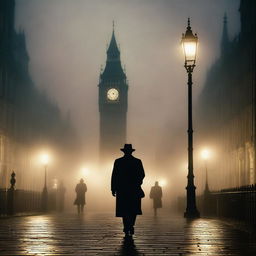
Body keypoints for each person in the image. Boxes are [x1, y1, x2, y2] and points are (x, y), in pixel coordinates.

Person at [111, 144, 145, 237]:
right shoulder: (137, 161)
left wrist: (113, 188)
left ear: (124, 151)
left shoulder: (118, 162)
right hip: (134, 189)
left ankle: (126, 226)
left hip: (122, 189)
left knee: (124, 209)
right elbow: (142, 174)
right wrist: (137, 182)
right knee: (133, 209)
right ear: (131, 151)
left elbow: (114, 176)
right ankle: (131, 225)